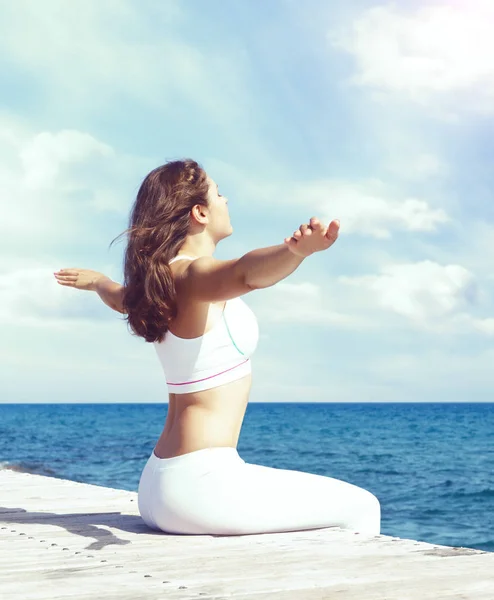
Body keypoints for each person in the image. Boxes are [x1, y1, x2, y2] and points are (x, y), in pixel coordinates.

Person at [53, 159, 380, 536]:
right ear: (200, 212)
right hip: (198, 485)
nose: (227, 200)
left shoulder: (155, 286)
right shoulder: (191, 275)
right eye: (220, 193)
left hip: (162, 484)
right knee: (362, 508)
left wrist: (98, 282)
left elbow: (118, 296)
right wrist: (295, 252)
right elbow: (244, 273)